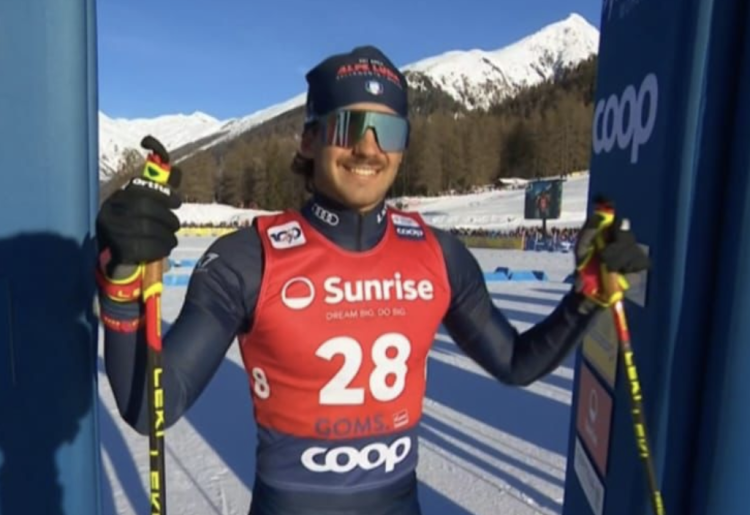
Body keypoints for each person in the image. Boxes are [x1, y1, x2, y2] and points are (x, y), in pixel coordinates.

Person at [95, 45, 650, 515]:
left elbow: (515, 362)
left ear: (403, 147)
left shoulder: (438, 254)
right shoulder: (249, 258)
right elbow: (150, 408)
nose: (367, 147)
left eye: (387, 130)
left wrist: (587, 295)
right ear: (310, 140)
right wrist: (121, 279)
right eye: (348, 126)